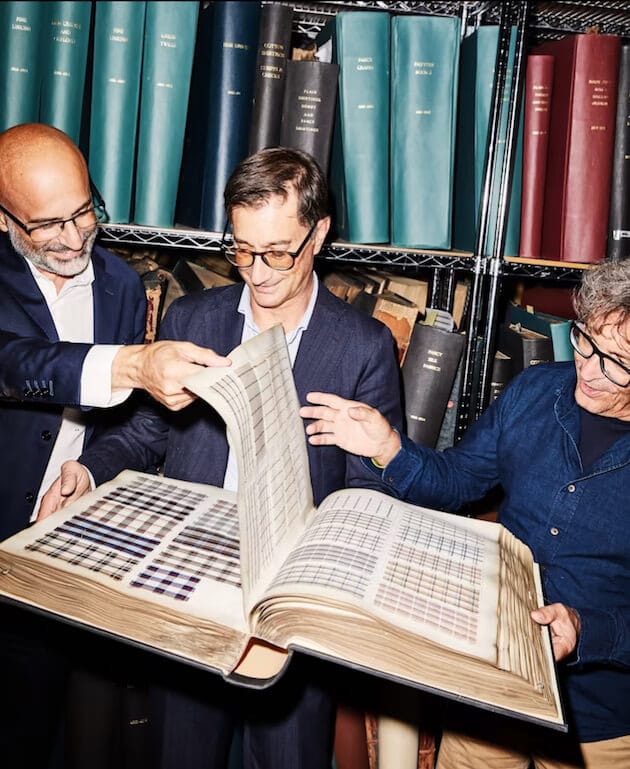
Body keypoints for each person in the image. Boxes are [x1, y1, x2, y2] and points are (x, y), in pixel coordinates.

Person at [42, 147, 403, 769]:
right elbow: (147, 432)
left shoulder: (364, 346)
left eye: (278, 253)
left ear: (318, 234)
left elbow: (372, 499)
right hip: (189, 590)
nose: (257, 274)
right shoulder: (191, 317)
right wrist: (89, 469)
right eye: (242, 250)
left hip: (292, 610)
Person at [299, 259, 630, 769]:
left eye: (616, 362)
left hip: (602, 723)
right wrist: (389, 448)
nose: (586, 370)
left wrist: (587, 630)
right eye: (585, 341)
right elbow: (459, 480)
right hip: (495, 687)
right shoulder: (535, 390)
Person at [0, 122, 228, 769]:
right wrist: (131, 364)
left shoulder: (123, 286)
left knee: (30, 731)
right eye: (50, 224)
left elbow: (127, 426)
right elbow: (15, 362)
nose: (76, 238)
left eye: (84, 212)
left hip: (51, 559)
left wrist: (88, 470)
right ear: (4, 219)